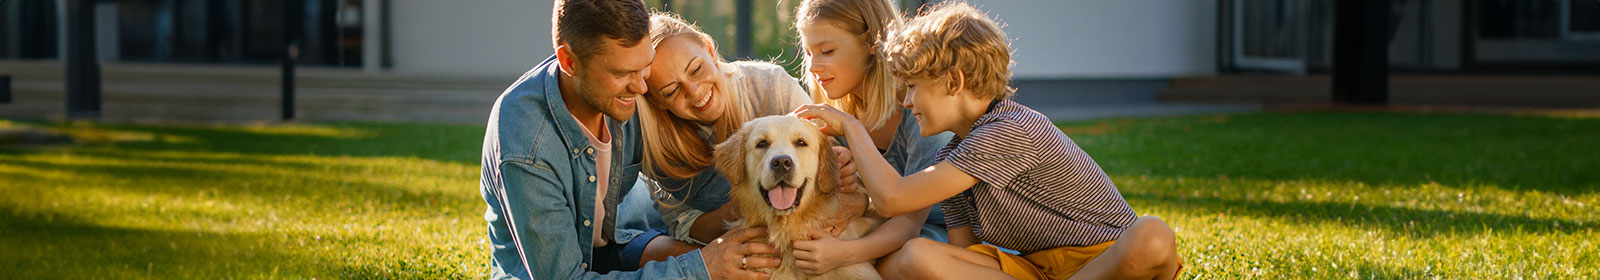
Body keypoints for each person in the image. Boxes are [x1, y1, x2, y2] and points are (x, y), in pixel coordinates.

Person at [795, 2, 1183, 279]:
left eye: (913, 88)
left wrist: (851, 127)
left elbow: (894, 198)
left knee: (1152, 234)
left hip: (1104, 258)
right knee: (912, 255)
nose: (908, 101)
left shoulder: (1008, 129)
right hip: (1033, 267)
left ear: (954, 82)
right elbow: (962, 253)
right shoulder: (953, 153)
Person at [478, 1, 778, 279]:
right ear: (569, 62)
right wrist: (704, 267)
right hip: (559, 270)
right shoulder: (526, 143)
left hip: (620, 243)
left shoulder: (628, 93)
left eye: (644, 65)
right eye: (623, 73)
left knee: (747, 266)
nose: (641, 86)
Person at [635, 12, 875, 275]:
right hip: (729, 242)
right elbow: (682, 227)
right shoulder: (656, 142)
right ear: (657, 100)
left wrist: (856, 198)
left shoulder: (771, 85)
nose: (694, 91)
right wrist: (734, 213)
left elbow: (844, 174)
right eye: (671, 90)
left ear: (709, 50)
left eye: (696, 69)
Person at [790, 0, 955, 275]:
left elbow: (908, 221)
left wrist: (840, 254)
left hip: (940, 240)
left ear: (871, 42)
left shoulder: (919, 110)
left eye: (827, 51)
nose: (814, 66)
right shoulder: (839, 115)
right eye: (808, 53)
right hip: (881, 236)